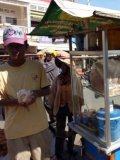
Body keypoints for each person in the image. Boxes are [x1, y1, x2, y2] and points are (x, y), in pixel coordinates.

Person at [0, 26, 52, 159]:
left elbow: (47, 89)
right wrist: (17, 102)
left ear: (26, 46)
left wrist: (34, 94)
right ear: (5, 47)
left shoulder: (37, 67)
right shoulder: (1, 72)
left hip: (39, 127)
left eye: (18, 45)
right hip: (15, 131)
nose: (14, 49)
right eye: (11, 46)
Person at [50, 55, 84, 160]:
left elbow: (80, 93)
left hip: (72, 108)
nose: (63, 67)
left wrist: (80, 106)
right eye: (62, 65)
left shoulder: (75, 79)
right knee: (60, 131)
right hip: (60, 108)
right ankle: (58, 153)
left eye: (65, 65)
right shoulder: (57, 79)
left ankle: (70, 148)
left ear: (69, 67)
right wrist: (51, 109)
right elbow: (52, 94)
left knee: (72, 130)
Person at [43, 49, 60, 124]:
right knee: (48, 103)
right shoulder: (49, 62)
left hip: (52, 86)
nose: (46, 56)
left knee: (49, 103)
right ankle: (53, 119)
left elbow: (43, 68)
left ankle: (55, 120)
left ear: (52, 55)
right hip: (50, 85)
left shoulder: (53, 63)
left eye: (48, 55)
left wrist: (41, 59)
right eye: (46, 54)